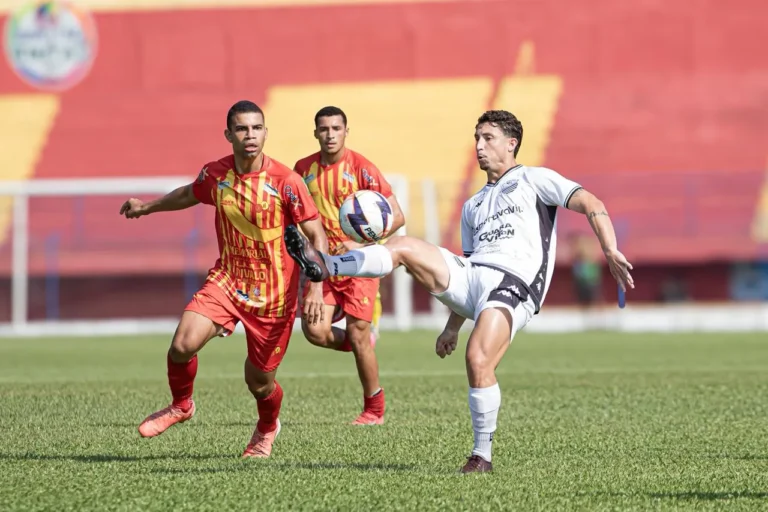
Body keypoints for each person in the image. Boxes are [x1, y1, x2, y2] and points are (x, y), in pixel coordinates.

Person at [283, 110, 635, 473]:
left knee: (478, 358)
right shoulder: (473, 206)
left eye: (488, 138)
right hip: (475, 276)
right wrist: (451, 327)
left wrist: (609, 250)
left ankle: (482, 457)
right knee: (403, 244)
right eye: (476, 139)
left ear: (511, 143)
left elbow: (593, 204)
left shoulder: (534, 178)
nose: (479, 147)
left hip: (514, 282)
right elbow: (467, 276)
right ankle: (327, 265)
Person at [119, 100, 328, 458]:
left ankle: (266, 428)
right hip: (228, 280)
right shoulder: (216, 174)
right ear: (229, 134)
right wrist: (148, 207)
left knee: (259, 383)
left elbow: (316, 233)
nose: (251, 136)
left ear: (265, 133)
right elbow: (189, 193)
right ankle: (181, 405)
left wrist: (317, 287)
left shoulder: (286, 182)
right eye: (243, 129)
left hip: (274, 296)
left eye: (257, 128)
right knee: (182, 344)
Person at [293, 106, 406, 425]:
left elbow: (397, 216)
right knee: (314, 331)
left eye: (336, 128)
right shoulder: (303, 169)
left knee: (357, 334)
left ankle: (374, 409)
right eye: (324, 129)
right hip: (324, 263)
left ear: (346, 131)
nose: (330, 134)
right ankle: (362, 342)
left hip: (358, 262)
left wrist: (362, 242)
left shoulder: (362, 168)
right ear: (316, 133)